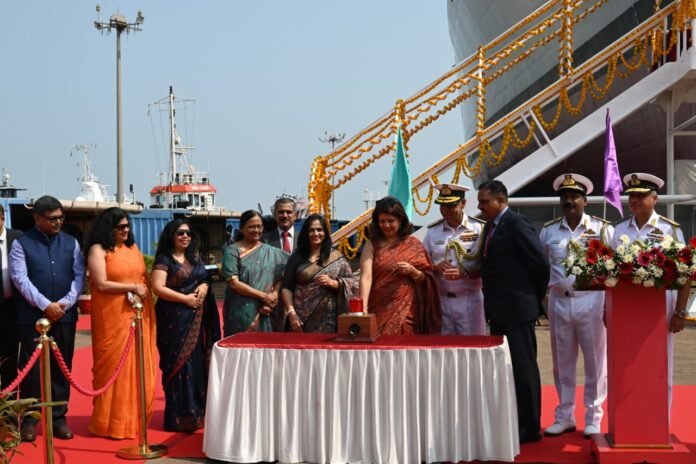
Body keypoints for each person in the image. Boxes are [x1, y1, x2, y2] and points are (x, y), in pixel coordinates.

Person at [539, 174, 613, 438]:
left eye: (574, 196)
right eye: (565, 197)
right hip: (559, 300)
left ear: (585, 200)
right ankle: (564, 416)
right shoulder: (549, 231)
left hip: (591, 301)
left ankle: (593, 417)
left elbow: (614, 267)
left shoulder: (602, 229)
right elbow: (542, 265)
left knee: (595, 363)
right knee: (562, 363)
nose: (569, 201)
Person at [609, 173, 690, 412]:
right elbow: (609, 272)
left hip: (661, 306)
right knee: (627, 362)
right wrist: (606, 309)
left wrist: (680, 311)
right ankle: (631, 414)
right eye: (631, 195)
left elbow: (684, 272)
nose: (634, 200)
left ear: (655, 199)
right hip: (626, 307)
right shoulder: (619, 229)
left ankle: (661, 417)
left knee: (660, 362)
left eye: (641, 195)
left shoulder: (669, 230)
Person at [477, 180, 550, 444]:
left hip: (518, 309)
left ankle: (530, 426)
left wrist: (531, 296)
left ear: (500, 200)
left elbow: (540, 264)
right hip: (498, 310)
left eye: (485, 202)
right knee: (506, 368)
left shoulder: (517, 224)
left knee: (523, 368)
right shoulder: (491, 227)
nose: (480, 207)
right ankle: (514, 421)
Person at [9, 195, 84, 442]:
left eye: (61, 218)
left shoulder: (71, 243)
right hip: (32, 317)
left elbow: (79, 276)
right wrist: (45, 305)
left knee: (62, 368)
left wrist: (66, 303)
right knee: (31, 371)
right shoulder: (21, 244)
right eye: (52, 219)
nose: (58, 222)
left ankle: (58, 419)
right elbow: (20, 279)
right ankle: (30, 419)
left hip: (64, 315)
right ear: (37, 218)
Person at [85, 207, 157, 439]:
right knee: (115, 366)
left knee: (137, 366)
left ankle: (133, 420)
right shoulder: (98, 250)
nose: (126, 230)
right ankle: (110, 423)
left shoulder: (132, 248)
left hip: (138, 312)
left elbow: (143, 277)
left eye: (127, 226)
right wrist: (132, 287)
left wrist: (142, 291)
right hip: (111, 315)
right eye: (121, 227)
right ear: (109, 228)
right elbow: (101, 283)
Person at [151, 219, 221, 432]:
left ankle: (196, 413)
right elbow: (158, 288)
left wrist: (204, 286)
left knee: (196, 363)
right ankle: (178, 417)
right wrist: (185, 299)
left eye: (188, 233)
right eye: (180, 233)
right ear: (171, 235)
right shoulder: (165, 259)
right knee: (178, 364)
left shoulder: (194, 257)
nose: (185, 237)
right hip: (173, 319)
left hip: (197, 318)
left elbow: (204, 278)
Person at [359, 196, 440, 335]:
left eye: (391, 221)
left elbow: (426, 278)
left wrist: (413, 271)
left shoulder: (413, 245)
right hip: (378, 307)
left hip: (407, 311)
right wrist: (363, 309)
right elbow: (366, 277)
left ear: (401, 220)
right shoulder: (371, 244)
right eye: (382, 221)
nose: (386, 225)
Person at [422, 184, 486, 335]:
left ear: (463, 203)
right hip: (442, 300)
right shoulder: (432, 232)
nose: (446, 211)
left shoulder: (479, 228)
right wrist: (435, 267)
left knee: (472, 345)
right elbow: (422, 264)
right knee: (444, 347)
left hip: (470, 299)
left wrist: (465, 272)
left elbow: (488, 264)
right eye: (442, 206)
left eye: (451, 206)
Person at [281, 214, 358, 333]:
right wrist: (292, 314)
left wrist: (335, 283)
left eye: (319, 230)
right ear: (306, 233)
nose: (316, 233)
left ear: (325, 233)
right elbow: (287, 287)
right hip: (301, 320)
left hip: (329, 320)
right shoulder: (297, 257)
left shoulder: (336, 257)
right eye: (311, 230)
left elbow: (353, 283)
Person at [222, 210, 288, 336]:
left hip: (267, 310)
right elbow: (234, 283)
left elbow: (282, 275)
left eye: (259, 226)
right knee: (240, 346)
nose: (256, 230)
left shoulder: (271, 252)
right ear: (241, 228)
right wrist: (264, 296)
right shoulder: (232, 251)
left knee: (265, 346)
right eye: (251, 227)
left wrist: (274, 295)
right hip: (241, 311)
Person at [0, 204, 22, 390]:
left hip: (13, 308)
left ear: (2, 219)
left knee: (10, 357)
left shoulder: (18, 238)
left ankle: (10, 403)